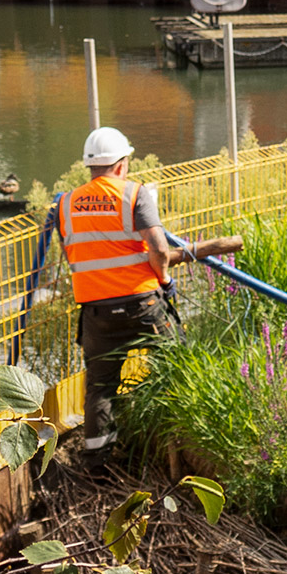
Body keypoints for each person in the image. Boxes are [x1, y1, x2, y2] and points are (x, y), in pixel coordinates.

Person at [56, 127, 172, 464]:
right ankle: (173, 436)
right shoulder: (134, 194)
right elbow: (159, 247)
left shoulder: (66, 204)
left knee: (100, 387)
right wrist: (163, 279)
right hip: (143, 304)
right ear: (121, 165)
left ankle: (98, 460)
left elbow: (75, 256)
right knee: (175, 358)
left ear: (89, 167)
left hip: (97, 314)